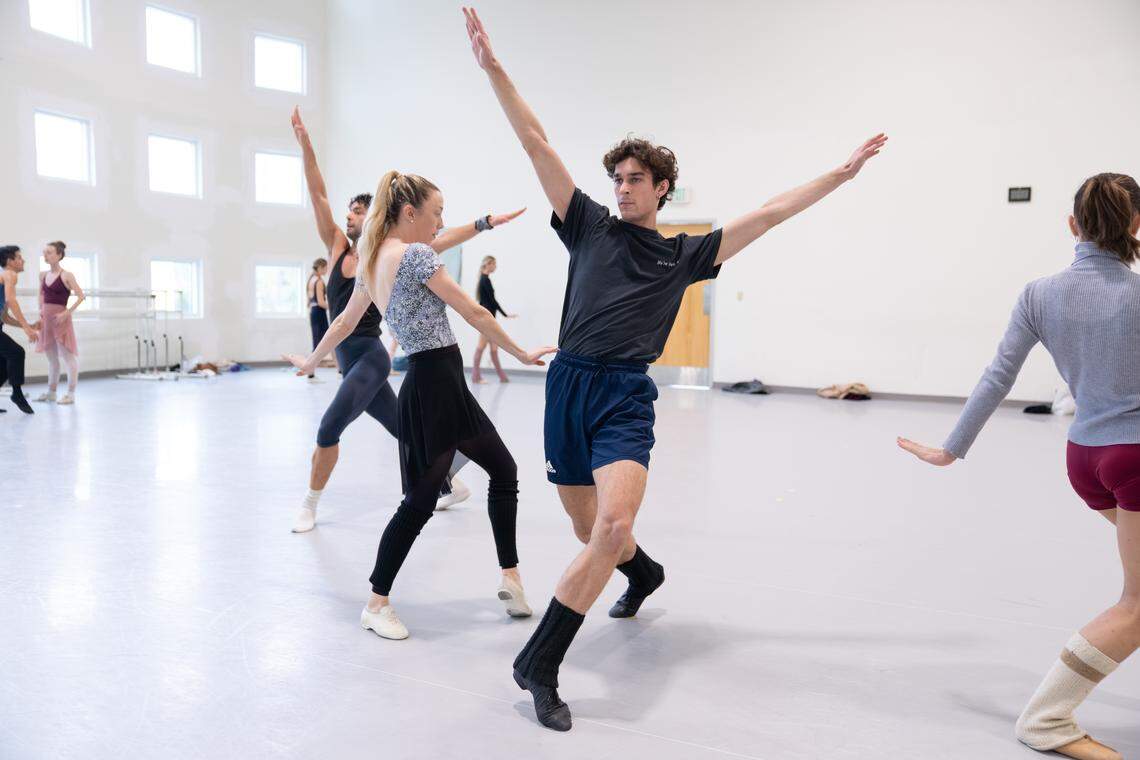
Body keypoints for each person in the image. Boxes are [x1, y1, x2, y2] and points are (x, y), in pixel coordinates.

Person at [463, 6, 888, 730]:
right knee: (589, 529)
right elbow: (535, 142)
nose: (623, 186)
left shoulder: (686, 253)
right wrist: (495, 69)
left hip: (626, 395)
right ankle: (644, 572)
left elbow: (773, 211)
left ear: (662, 187)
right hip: (568, 385)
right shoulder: (588, 225)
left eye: (636, 178)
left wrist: (840, 175)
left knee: (612, 521)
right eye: (618, 177)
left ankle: (539, 663)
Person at [899, 173, 1140, 760]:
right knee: (1138, 604)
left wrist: (951, 448)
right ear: (1135, 226)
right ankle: (1047, 720)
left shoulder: (1039, 294)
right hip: (1134, 459)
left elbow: (997, 375)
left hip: (1085, 460)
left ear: (1072, 226)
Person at [287, 170, 553, 640]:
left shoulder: (371, 262)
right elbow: (472, 311)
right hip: (435, 383)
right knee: (419, 502)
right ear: (410, 213)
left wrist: (311, 360)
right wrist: (521, 354)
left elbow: (344, 324)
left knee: (503, 469)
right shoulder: (414, 255)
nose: (439, 222)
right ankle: (376, 603)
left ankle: (510, 576)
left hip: (436, 383)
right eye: (435, 213)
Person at [287, 108, 501, 532]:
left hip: (369, 357)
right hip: (349, 359)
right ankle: (451, 483)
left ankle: (309, 504)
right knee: (404, 429)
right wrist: (307, 148)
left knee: (330, 426)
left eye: (357, 212)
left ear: (375, 219)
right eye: (347, 211)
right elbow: (317, 195)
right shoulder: (337, 250)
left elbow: (440, 238)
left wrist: (481, 225)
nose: (348, 217)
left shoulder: (387, 256)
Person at [34, 241, 84, 404]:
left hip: (60, 319)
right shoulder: (42, 275)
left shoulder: (66, 275)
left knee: (68, 357)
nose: (45, 255)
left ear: (59, 255)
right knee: (52, 359)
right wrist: (40, 312)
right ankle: (51, 392)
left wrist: (66, 312)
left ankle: (71, 394)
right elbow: (41, 295)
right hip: (46, 320)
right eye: (44, 252)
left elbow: (81, 296)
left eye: (49, 252)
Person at [0, 245, 38, 414]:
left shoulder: (4, 277)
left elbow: (4, 317)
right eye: (19, 257)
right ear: (10, 261)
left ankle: (16, 394)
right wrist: (26, 328)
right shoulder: (10, 274)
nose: (23, 261)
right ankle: (17, 394)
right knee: (16, 353)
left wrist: (29, 325)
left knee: (3, 364)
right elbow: (12, 300)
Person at [471, 255, 516, 384]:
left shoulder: (484, 279)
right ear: (489, 264)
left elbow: (483, 302)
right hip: (487, 320)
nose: (495, 267)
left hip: (489, 319)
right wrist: (505, 314)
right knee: (481, 346)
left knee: (494, 348)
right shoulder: (485, 280)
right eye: (494, 264)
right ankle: (475, 377)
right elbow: (491, 301)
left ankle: (502, 377)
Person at [305, 258, 329, 383]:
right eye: (325, 267)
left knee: (321, 341)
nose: (326, 270)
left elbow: (309, 302)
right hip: (319, 313)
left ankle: (340, 370)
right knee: (323, 342)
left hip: (313, 312)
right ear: (320, 267)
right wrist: (334, 306)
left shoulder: (311, 280)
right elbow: (321, 302)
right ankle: (311, 374)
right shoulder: (319, 282)